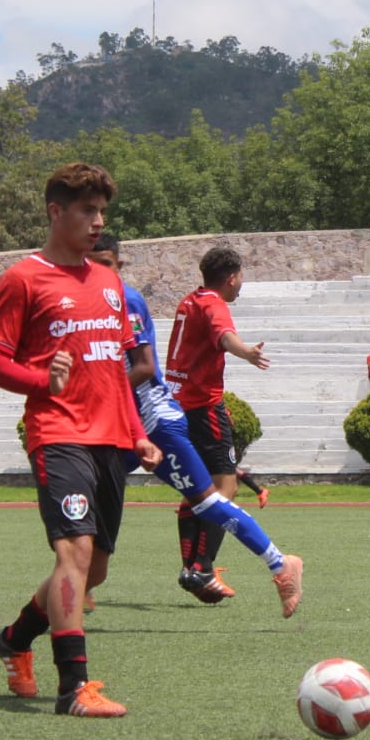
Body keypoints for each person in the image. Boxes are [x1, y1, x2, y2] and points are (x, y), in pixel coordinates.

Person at [0, 163, 162, 718]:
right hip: (58, 434)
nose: (98, 221)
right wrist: (41, 380)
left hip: (112, 439)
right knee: (73, 554)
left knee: (93, 569)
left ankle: (13, 639)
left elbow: (118, 370)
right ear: (56, 212)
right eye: (87, 210)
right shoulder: (22, 279)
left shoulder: (109, 284)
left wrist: (138, 434)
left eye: (103, 211)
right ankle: (74, 688)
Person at [161, 242, 306, 617]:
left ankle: (194, 566)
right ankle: (201, 568)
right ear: (231, 277)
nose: (242, 285)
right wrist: (247, 352)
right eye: (241, 277)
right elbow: (224, 336)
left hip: (175, 405)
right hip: (200, 407)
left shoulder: (188, 301)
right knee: (222, 491)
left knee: (197, 490)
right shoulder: (214, 304)